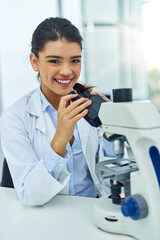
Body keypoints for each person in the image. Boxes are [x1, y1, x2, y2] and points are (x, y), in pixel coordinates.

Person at [0, 17, 115, 206]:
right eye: (55, 61)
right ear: (35, 62)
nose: (67, 71)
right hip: (48, 218)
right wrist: (61, 138)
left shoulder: (91, 107)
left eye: (75, 60)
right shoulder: (15, 118)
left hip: (91, 212)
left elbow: (111, 184)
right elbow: (31, 195)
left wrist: (111, 134)